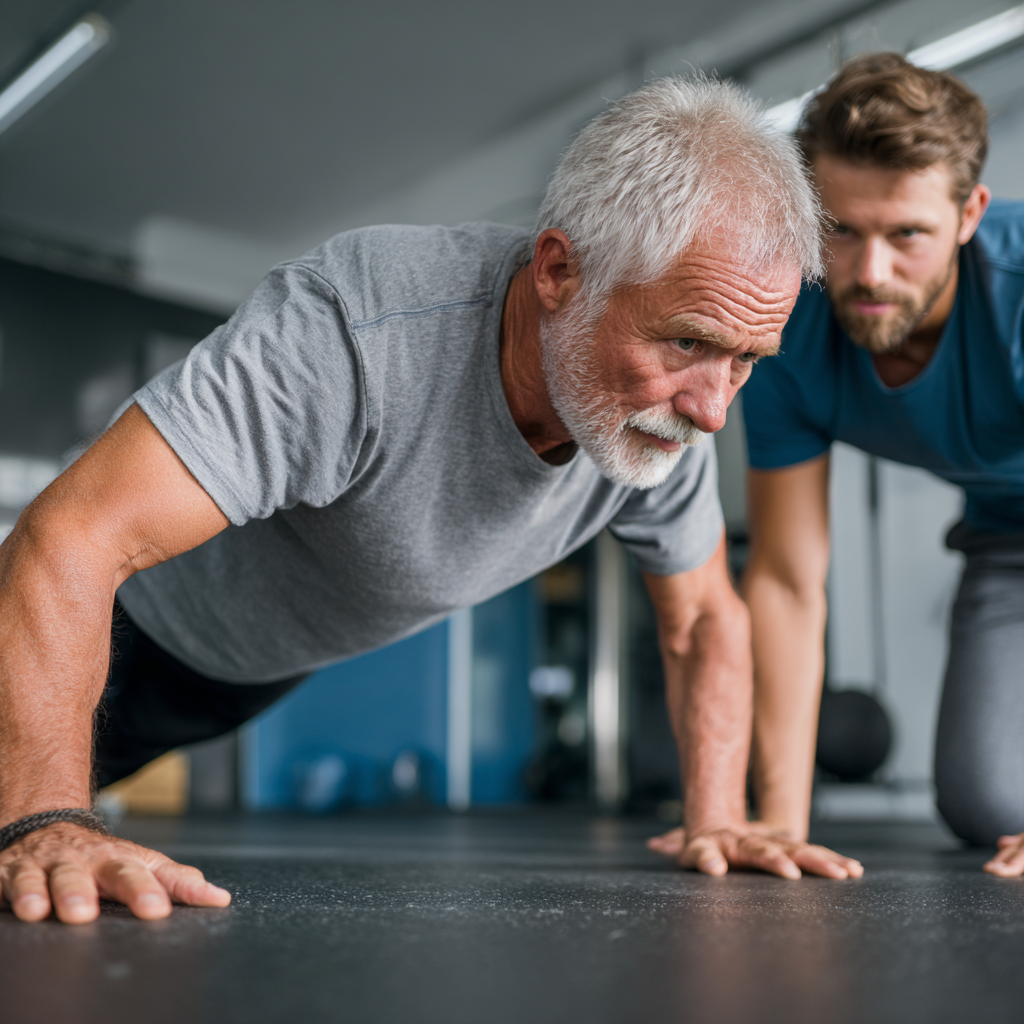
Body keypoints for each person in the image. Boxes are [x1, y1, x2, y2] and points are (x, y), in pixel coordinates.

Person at [0, 77, 862, 925]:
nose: (715, 409)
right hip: (73, 629)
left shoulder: (661, 420)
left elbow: (704, 616)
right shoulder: (357, 338)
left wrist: (716, 818)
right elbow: (70, 539)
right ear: (560, 270)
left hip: (234, 678)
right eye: (687, 341)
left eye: (748, 358)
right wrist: (47, 819)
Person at [648, 53, 1024, 877]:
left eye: (908, 235)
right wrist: (779, 821)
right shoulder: (789, 323)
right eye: (842, 230)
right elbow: (786, 580)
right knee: (990, 806)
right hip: (1008, 541)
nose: (869, 275)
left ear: (970, 215)